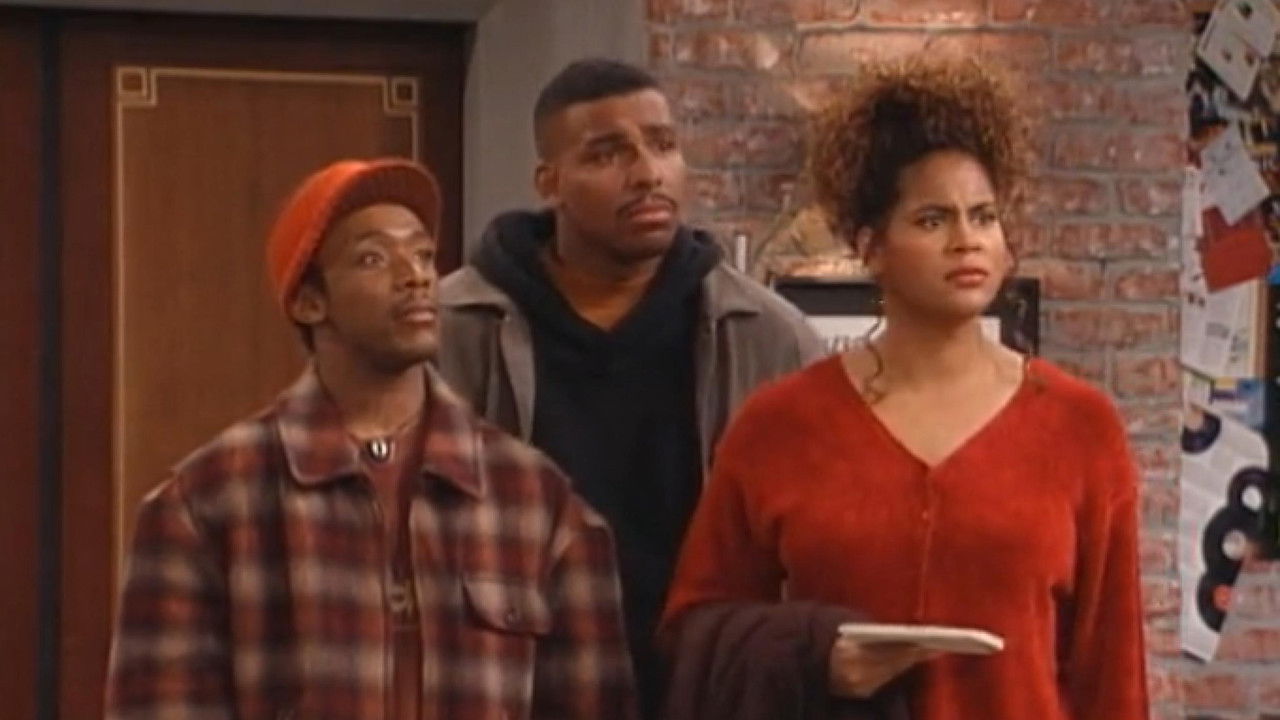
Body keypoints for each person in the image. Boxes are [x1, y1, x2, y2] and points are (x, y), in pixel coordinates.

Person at [660, 57, 1149, 720]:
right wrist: (813, 655)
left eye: (984, 217)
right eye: (932, 220)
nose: (966, 241)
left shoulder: (1080, 427)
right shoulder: (779, 426)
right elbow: (692, 631)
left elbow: (1113, 678)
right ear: (870, 245)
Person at [104, 158, 637, 720]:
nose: (416, 277)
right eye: (373, 258)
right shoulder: (209, 501)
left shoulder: (536, 501)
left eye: (424, 255)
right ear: (310, 301)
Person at [435, 58, 823, 717]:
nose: (647, 174)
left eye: (663, 145)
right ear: (549, 183)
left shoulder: (768, 335)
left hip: (702, 692)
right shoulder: (455, 327)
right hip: (511, 688)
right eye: (607, 154)